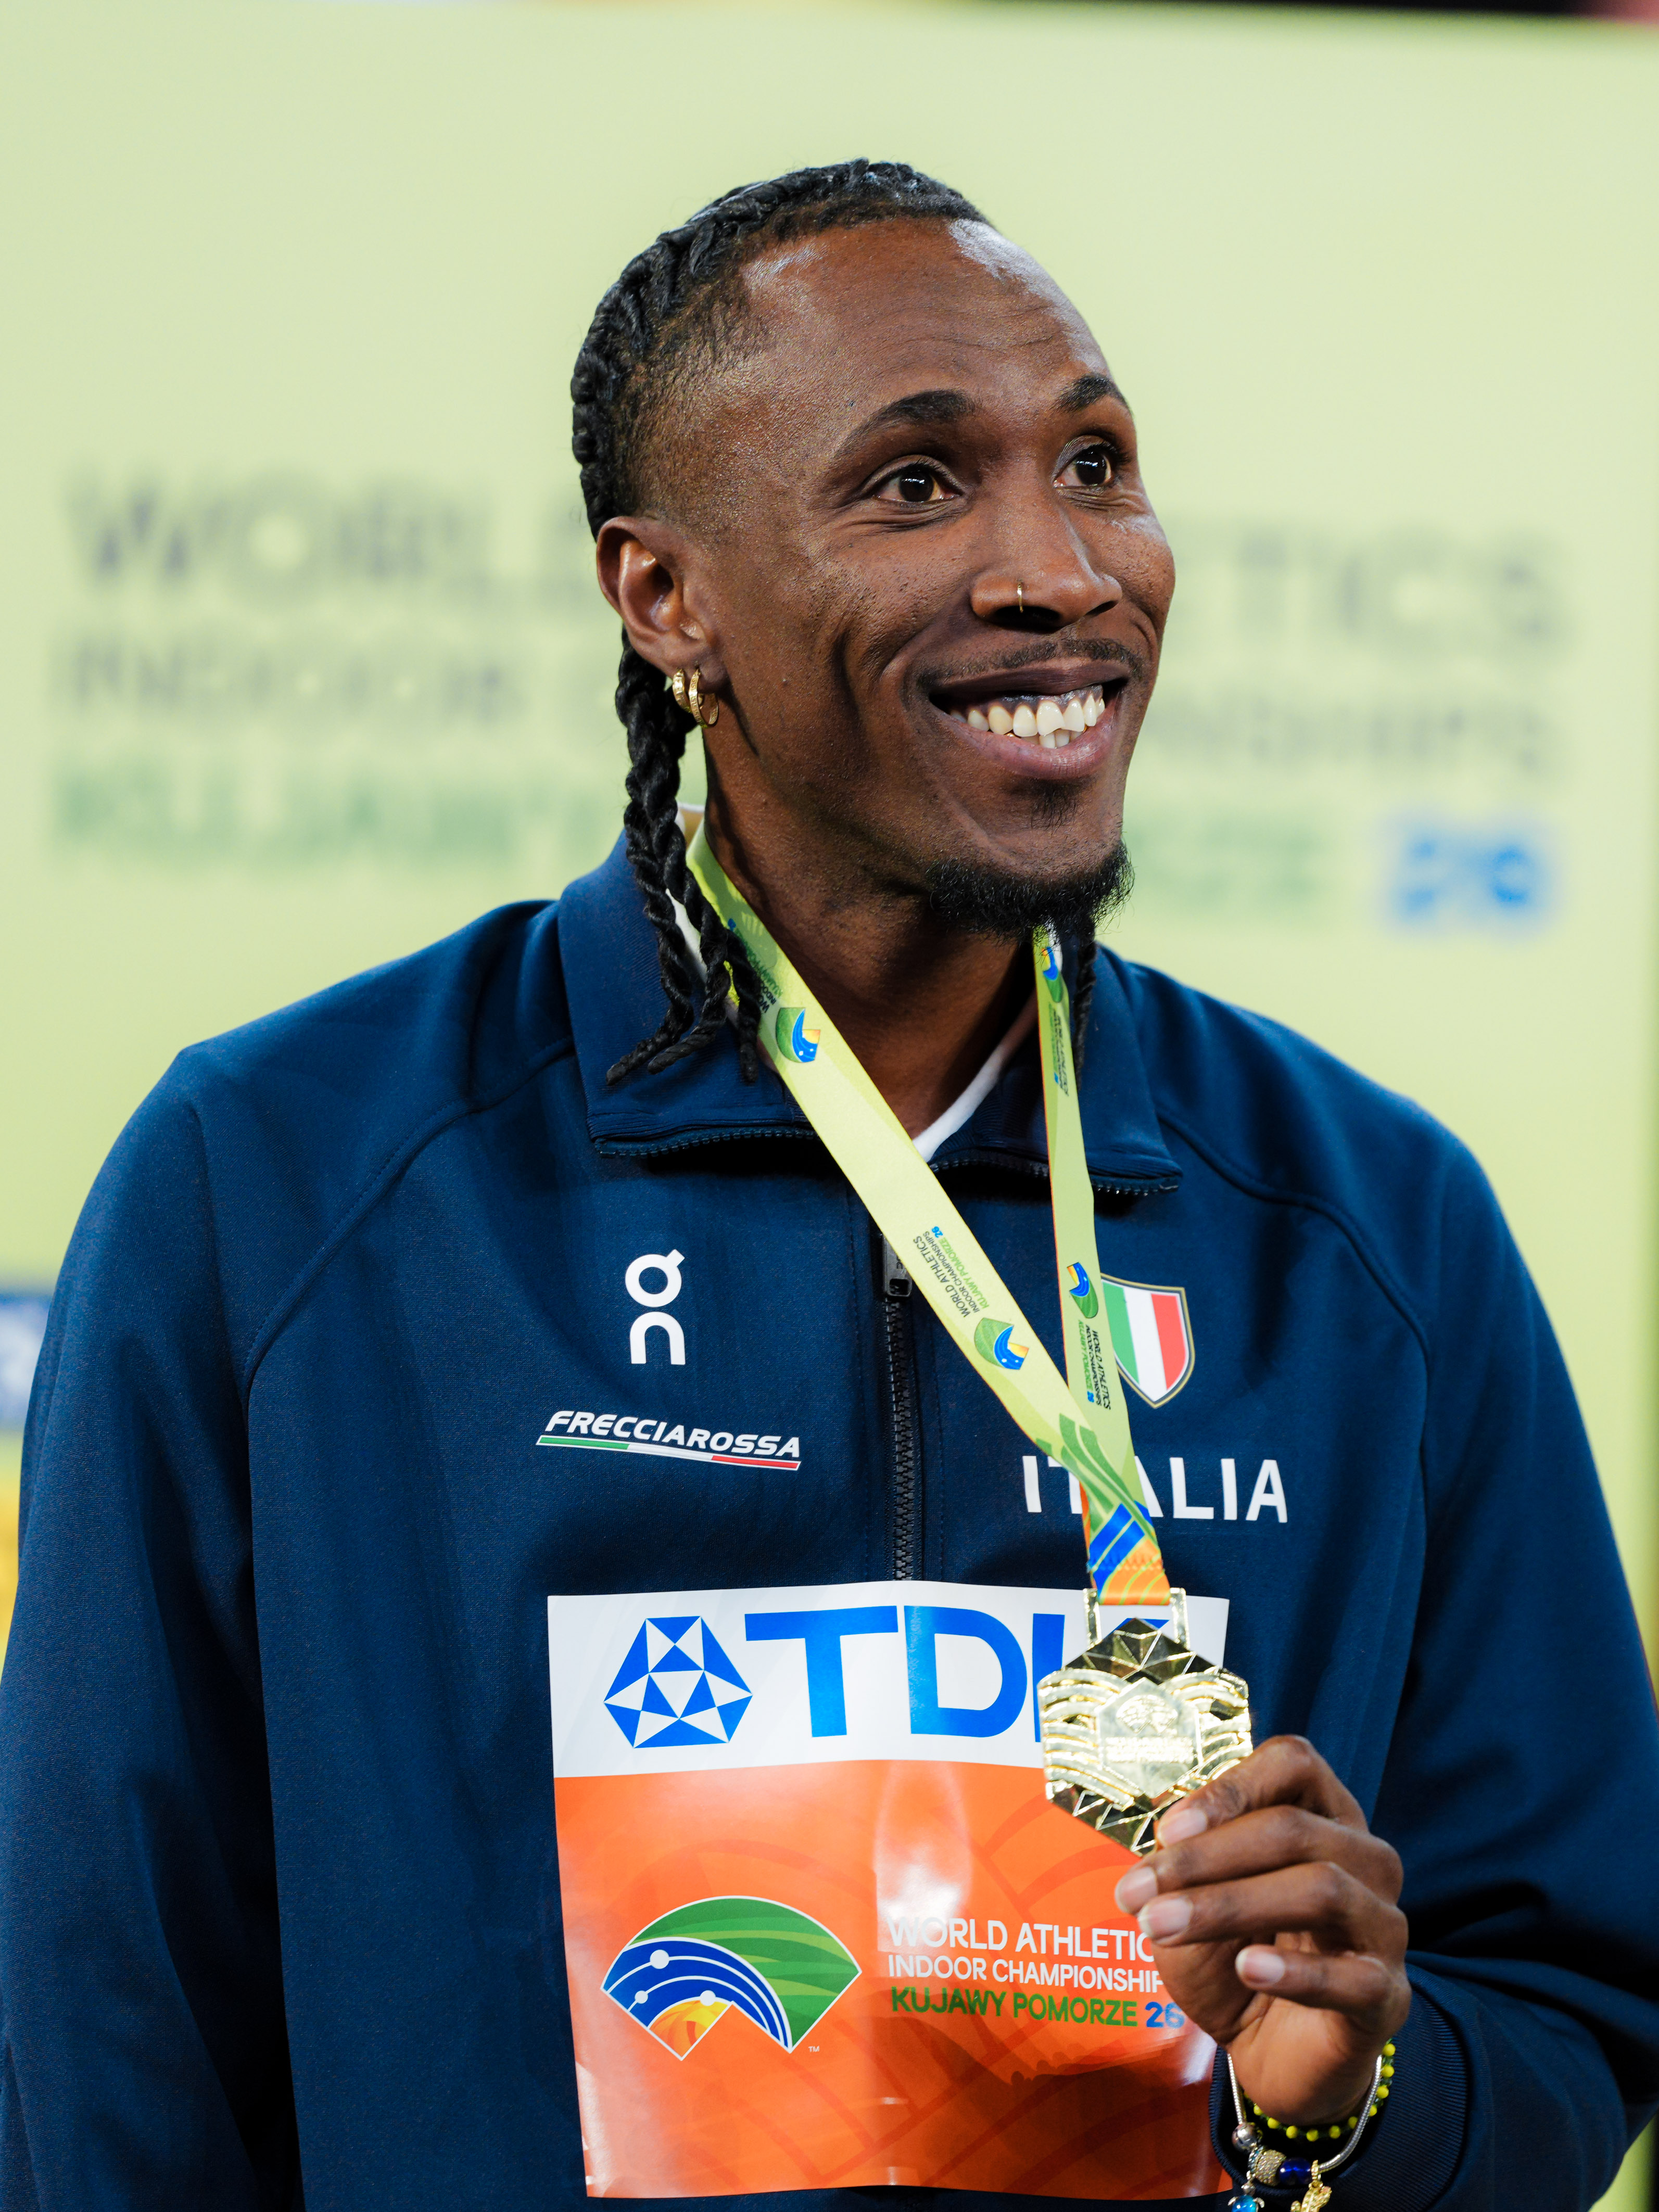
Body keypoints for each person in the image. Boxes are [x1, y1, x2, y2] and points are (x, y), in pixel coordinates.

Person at [1, 158, 1655, 2212]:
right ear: (662, 597)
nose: (1060, 567)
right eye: (915, 484)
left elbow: (1561, 2008)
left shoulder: (1370, 1232)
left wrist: (1337, 2091)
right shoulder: (282, 1182)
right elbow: (107, 2034)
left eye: (1095, 464)